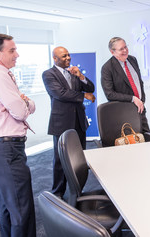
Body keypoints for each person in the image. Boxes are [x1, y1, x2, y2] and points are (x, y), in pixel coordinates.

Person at [0, 33, 36, 237]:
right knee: (21, 209)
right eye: (12, 50)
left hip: (5, 149)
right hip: (7, 151)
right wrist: (25, 103)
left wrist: (25, 103)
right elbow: (22, 111)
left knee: (9, 208)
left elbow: (26, 106)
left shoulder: (0, 75)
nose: (17, 54)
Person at [42, 46, 95, 198]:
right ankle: (57, 192)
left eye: (68, 55)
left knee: (79, 159)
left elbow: (91, 87)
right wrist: (84, 96)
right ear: (55, 59)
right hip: (61, 122)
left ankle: (77, 190)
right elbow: (60, 94)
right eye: (64, 56)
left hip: (79, 121)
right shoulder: (48, 74)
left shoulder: (73, 72)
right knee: (60, 160)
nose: (68, 58)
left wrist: (81, 77)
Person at [101, 37, 150, 134]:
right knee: (131, 145)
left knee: (147, 139)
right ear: (112, 52)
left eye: (125, 47)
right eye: (121, 49)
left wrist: (142, 100)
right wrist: (132, 98)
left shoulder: (132, 60)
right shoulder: (107, 68)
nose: (125, 51)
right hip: (123, 113)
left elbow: (139, 82)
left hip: (140, 109)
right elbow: (110, 94)